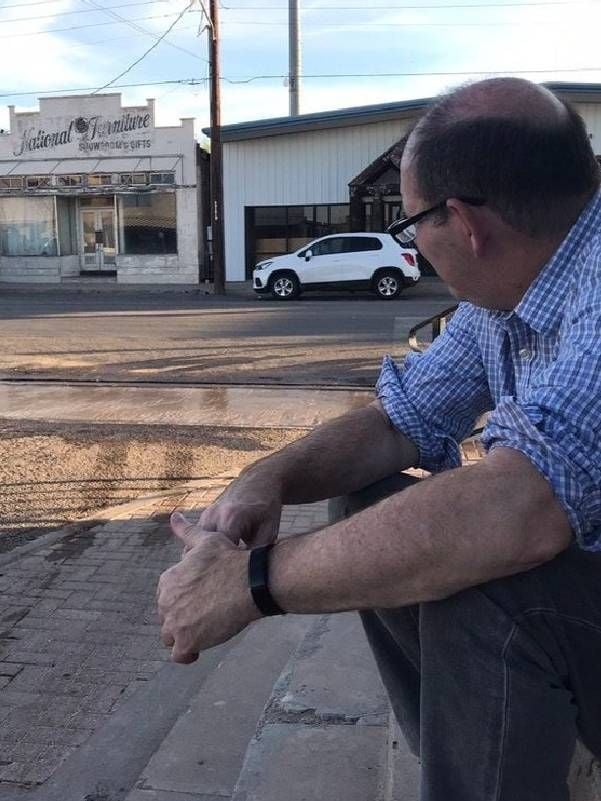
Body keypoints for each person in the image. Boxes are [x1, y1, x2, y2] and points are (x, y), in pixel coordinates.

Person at [157, 77, 601, 800]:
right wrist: (267, 479)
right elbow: (402, 419)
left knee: (489, 588)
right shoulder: (514, 288)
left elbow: (515, 512)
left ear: (462, 224)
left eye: (411, 223)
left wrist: (254, 583)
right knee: (366, 498)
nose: (414, 246)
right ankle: (467, 763)